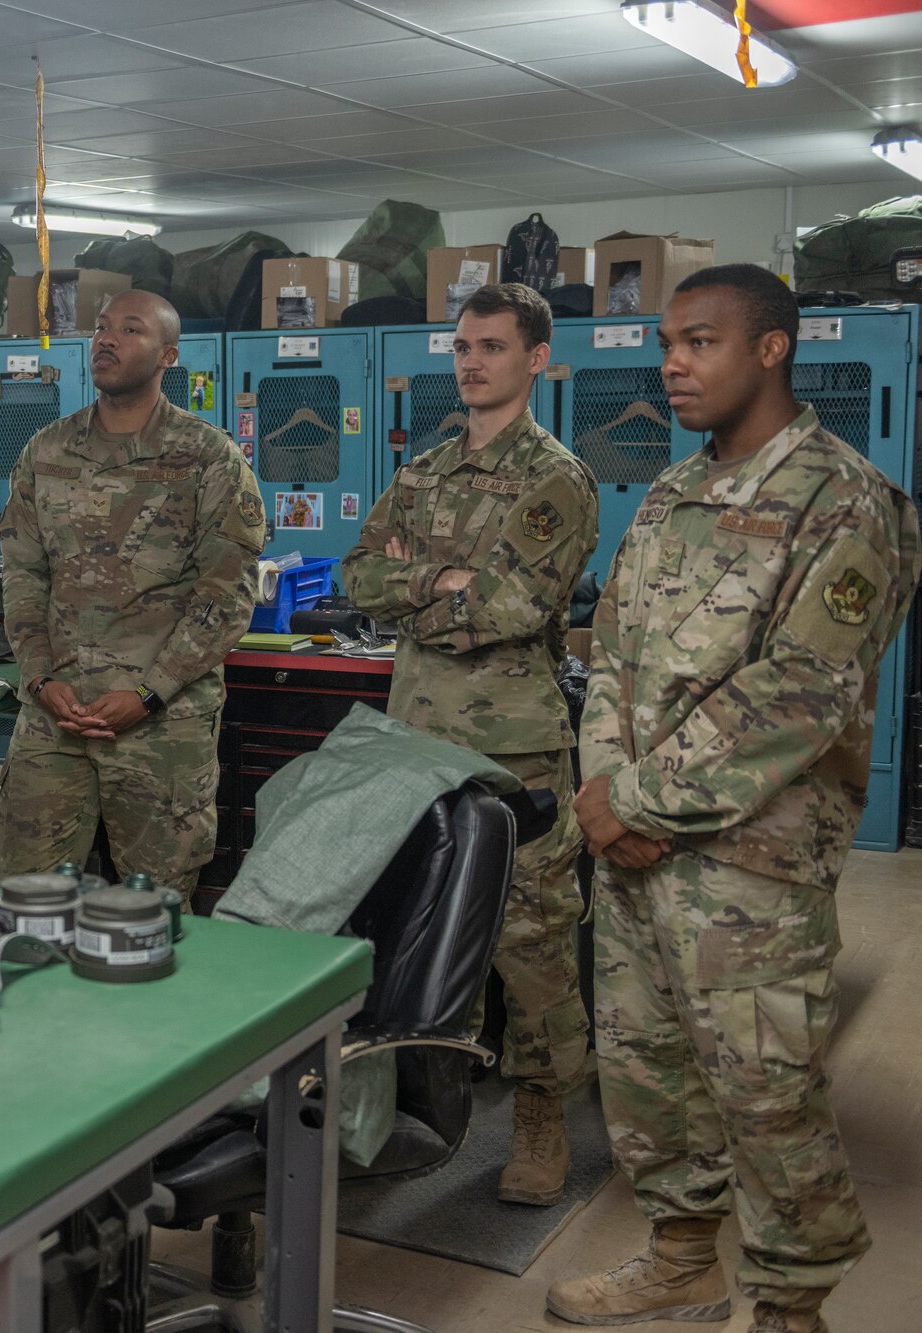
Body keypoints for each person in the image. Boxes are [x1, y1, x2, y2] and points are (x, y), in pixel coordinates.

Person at [548, 265, 919, 1333]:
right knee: (647, 1071)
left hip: (749, 866)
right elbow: (607, 650)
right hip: (632, 846)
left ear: (771, 348)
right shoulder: (667, 495)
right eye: (666, 341)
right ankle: (677, 1259)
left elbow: (797, 692)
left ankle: (788, 1306)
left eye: (698, 341)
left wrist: (634, 804)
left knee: (765, 1093)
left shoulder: (846, 502)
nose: (671, 362)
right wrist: (601, 791)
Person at [342, 283, 598, 1207]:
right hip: (414, 738)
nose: (470, 362)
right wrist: (445, 583)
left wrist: (431, 593)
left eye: (491, 346)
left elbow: (519, 607)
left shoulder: (557, 478)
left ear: (536, 358)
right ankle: (422, 1098)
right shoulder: (423, 471)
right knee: (417, 921)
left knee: (527, 935)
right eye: (461, 346)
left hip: (513, 746)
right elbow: (358, 577)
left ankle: (541, 1113)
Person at [0, 289, 265, 903]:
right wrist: (38, 680)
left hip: (159, 728)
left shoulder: (208, 457)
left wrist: (150, 692)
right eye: (101, 327)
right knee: (19, 898)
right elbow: (24, 576)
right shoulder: (47, 451)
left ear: (168, 355)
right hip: (53, 719)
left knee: (157, 908)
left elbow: (224, 597)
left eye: (131, 330)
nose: (107, 339)